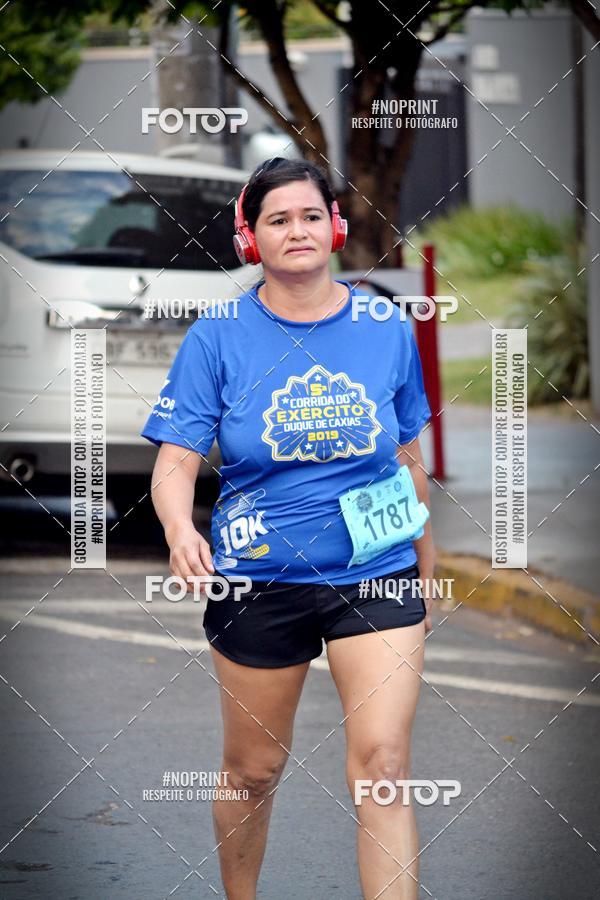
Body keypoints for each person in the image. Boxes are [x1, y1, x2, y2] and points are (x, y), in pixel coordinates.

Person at [142, 157, 436, 900]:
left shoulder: (383, 327)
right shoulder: (218, 337)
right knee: (254, 769)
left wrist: (425, 572)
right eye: (278, 219)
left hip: (375, 571)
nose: (297, 230)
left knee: (383, 766)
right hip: (258, 581)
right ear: (252, 238)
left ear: (335, 226)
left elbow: (407, 457)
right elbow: (176, 460)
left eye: (310, 215)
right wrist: (180, 529)